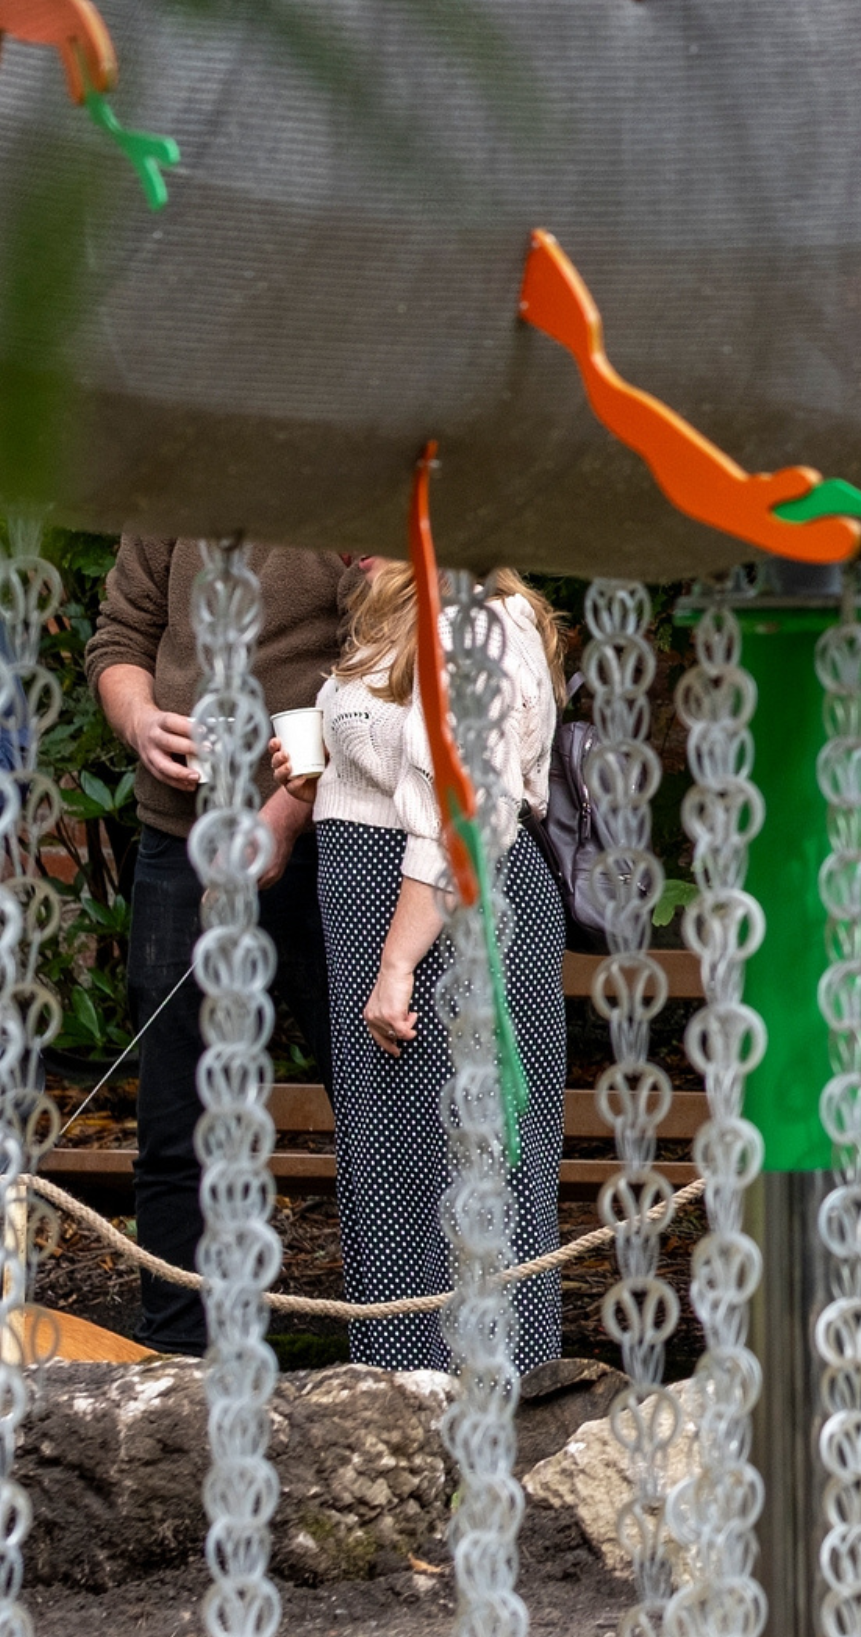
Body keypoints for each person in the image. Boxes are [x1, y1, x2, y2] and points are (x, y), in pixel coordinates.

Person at [84, 538, 351, 1353]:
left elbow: (388, 661)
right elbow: (119, 637)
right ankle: (177, 1356)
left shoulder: (350, 466)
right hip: (181, 836)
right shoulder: (175, 462)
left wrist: (288, 809)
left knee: (375, 1096)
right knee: (179, 1114)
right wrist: (137, 717)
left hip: (333, 837)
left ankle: (410, 1343)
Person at [312, 560, 568, 1371]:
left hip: (440, 927)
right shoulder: (401, 611)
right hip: (395, 921)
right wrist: (325, 772)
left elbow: (466, 810)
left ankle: (500, 1420)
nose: (346, 540)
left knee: (477, 1166)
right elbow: (400, 770)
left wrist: (397, 959)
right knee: (393, 1172)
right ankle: (400, 1411)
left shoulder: (475, 625)